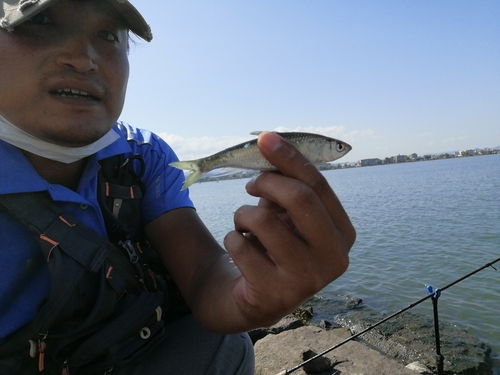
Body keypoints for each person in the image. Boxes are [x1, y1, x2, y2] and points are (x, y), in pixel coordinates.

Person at [0, 0, 356, 374]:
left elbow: (204, 272)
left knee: (226, 345)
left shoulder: (143, 155)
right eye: (39, 22)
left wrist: (249, 296)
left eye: (107, 35)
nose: (83, 58)